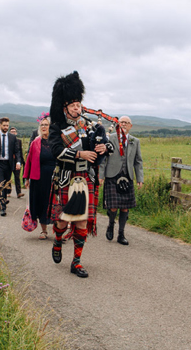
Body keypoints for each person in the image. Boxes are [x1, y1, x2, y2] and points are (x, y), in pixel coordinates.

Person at [47, 71, 110, 278]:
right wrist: (79, 154)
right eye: (73, 105)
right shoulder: (57, 127)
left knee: (82, 221)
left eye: (79, 104)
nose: (77, 108)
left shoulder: (89, 124)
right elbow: (56, 151)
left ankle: (76, 262)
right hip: (66, 178)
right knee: (63, 221)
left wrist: (103, 148)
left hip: (86, 178)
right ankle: (58, 240)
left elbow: (103, 143)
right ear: (64, 106)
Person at [99, 116, 144, 245]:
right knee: (113, 207)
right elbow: (104, 158)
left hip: (127, 177)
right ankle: (111, 225)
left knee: (125, 208)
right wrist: (101, 175)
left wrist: (140, 178)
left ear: (131, 126)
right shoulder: (110, 139)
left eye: (126, 123)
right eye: (121, 122)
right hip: (112, 176)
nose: (123, 125)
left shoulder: (135, 141)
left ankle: (121, 234)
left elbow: (138, 161)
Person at [23, 117, 54, 239]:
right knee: (41, 202)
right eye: (42, 125)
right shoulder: (35, 142)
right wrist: (26, 178)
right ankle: (44, 230)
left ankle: (58, 231)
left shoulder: (56, 141)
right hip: (38, 177)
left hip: (54, 177)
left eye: (46, 124)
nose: (44, 127)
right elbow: (29, 161)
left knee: (54, 203)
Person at [0, 117, 22, 216]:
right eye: (4, 125)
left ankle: (2, 200)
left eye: (7, 125)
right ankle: (3, 207)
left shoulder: (12, 137)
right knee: (0, 184)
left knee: (6, 185)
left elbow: (17, 151)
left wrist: (18, 162)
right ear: (0, 125)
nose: (6, 127)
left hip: (8, 164)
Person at [10, 127, 24, 198]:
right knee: (8, 177)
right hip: (9, 161)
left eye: (14, 131)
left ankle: (19, 192)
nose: (13, 133)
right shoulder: (8, 140)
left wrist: (21, 161)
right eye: (12, 131)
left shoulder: (19, 141)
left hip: (16, 162)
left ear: (16, 133)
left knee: (17, 177)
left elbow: (20, 151)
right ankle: (8, 191)